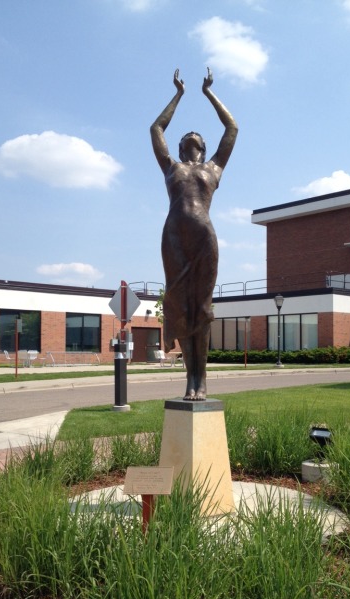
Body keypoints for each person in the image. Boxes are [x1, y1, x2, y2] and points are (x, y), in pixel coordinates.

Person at [150, 68, 238, 400]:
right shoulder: (171, 167)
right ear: (181, 146)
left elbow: (232, 128)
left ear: (202, 146)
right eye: (185, 138)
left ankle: (203, 380)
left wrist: (208, 93)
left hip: (203, 239)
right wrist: (179, 94)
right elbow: (155, 128)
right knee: (179, 306)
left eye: (196, 138)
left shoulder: (214, 167)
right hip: (173, 237)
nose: (191, 139)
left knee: (202, 308)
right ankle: (190, 379)